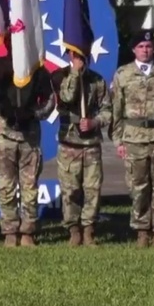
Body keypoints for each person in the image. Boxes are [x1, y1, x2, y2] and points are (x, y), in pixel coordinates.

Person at [110, 29, 154, 249]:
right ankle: (142, 231)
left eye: (149, 46)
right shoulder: (123, 75)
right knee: (138, 187)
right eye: (141, 46)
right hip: (134, 138)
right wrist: (118, 141)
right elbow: (116, 110)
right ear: (133, 49)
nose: (145, 50)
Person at [0, 55, 55, 247]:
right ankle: (10, 231)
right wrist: (5, 110)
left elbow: (50, 102)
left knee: (30, 188)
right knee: (6, 187)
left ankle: (28, 232)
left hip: (29, 137)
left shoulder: (38, 71)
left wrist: (32, 113)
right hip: (4, 135)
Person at [52, 49, 112, 246]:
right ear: (69, 53)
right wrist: (75, 74)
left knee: (92, 189)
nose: (80, 57)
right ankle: (73, 230)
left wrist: (95, 122)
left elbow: (107, 110)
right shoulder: (59, 76)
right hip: (69, 143)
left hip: (91, 144)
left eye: (83, 54)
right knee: (70, 190)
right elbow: (67, 97)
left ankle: (88, 230)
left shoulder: (97, 80)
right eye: (75, 53)